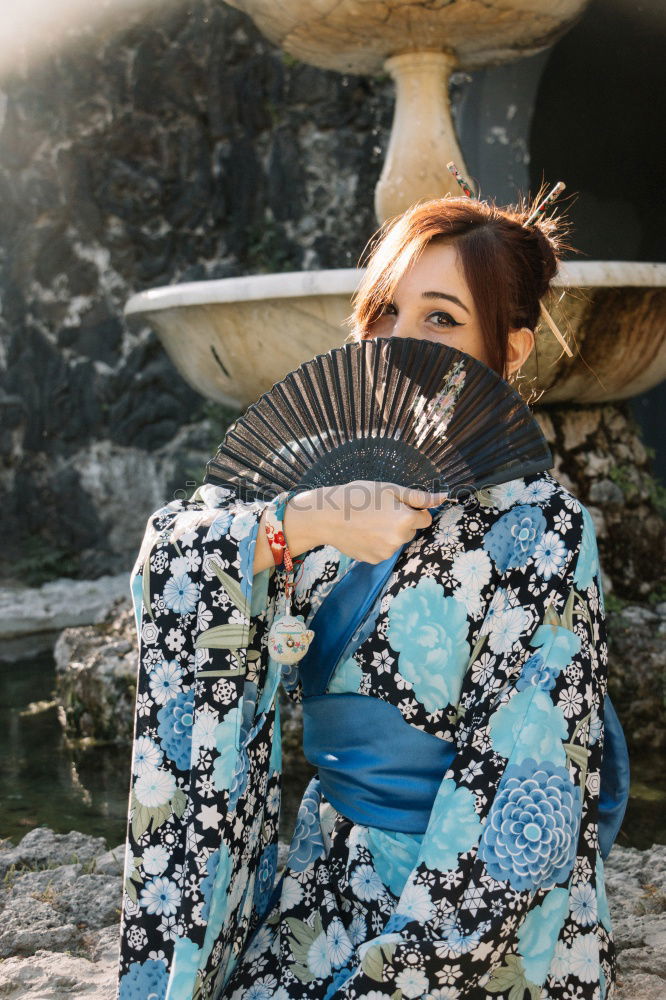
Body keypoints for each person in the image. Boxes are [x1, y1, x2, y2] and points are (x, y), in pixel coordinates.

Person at [116, 194, 619, 1000]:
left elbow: (521, 806)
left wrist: (396, 974)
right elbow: (170, 558)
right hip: (326, 884)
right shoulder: (317, 473)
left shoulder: (541, 528)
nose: (399, 341)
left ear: (511, 350)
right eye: (385, 310)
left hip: (480, 915)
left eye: (443, 318)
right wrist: (301, 523)